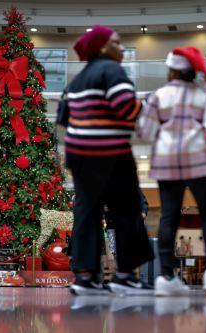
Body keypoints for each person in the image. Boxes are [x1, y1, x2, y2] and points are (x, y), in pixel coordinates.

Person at [63, 25, 154, 296]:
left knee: (86, 214)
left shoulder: (76, 81)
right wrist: (148, 105)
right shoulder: (112, 71)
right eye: (117, 42)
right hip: (110, 153)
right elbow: (126, 107)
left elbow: (64, 119)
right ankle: (125, 276)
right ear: (103, 48)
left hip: (79, 156)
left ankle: (85, 278)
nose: (123, 47)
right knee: (126, 211)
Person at [137, 46, 206, 296]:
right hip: (199, 159)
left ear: (171, 70)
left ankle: (166, 277)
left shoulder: (158, 96)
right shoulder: (205, 95)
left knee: (169, 216)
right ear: (193, 71)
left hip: (166, 160)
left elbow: (144, 132)